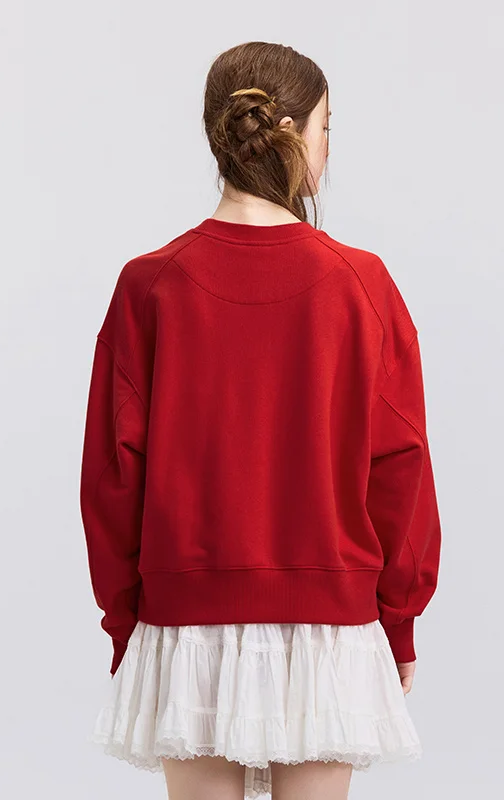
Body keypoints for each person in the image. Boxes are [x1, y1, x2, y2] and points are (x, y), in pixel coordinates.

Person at [80, 40, 442, 800]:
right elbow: (400, 467)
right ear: (297, 136)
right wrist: (397, 621)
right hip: (329, 628)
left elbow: (112, 479)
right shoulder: (360, 283)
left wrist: (128, 623)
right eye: (328, 128)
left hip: (187, 623)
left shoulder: (151, 285)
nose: (329, 148)